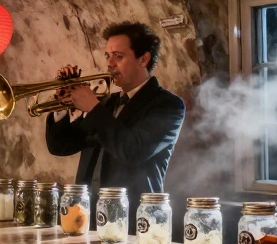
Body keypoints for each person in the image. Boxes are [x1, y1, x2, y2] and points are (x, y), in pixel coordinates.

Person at [45, 21, 186, 208]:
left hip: (133, 215)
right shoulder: (106, 103)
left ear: (143, 59)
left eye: (118, 56)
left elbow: (133, 151)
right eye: (108, 56)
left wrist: (93, 108)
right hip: (87, 212)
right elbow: (60, 146)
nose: (110, 63)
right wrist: (61, 106)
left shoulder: (168, 105)